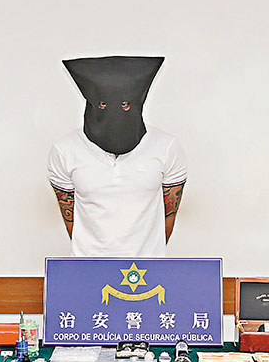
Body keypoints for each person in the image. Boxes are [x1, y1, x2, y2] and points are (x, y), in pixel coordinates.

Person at [47, 55, 186, 257]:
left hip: (147, 267)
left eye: (125, 104)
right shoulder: (65, 150)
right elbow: (70, 218)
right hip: (89, 265)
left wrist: (149, 257)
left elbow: (169, 214)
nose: (115, 113)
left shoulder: (166, 146)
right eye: (103, 104)